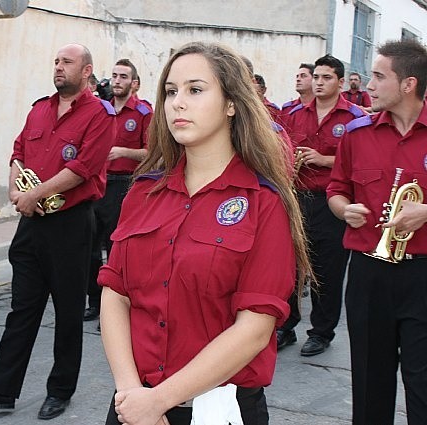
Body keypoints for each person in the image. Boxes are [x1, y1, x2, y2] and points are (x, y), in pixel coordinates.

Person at [99, 41, 312, 425]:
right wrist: (131, 393)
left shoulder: (264, 203)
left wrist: (160, 399)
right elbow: (115, 293)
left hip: (218, 410)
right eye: (170, 91)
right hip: (135, 404)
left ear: (231, 104)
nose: (177, 102)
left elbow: (254, 327)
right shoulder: (144, 193)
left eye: (195, 90)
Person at [0, 43, 116, 420]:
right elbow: (18, 153)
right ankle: (0, 390)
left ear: (87, 71)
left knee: (69, 312)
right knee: (22, 309)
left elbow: (84, 169)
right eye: (56, 62)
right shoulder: (39, 108)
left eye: (67, 63)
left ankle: (60, 391)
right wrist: (14, 191)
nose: (58, 68)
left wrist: (33, 195)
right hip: (32, 224)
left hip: (71, 225)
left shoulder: (99, 114)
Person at [327, 39, 427, 425]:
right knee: (369, 380)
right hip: (369, 272)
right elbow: (337, 189)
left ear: (408, 84)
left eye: (378, 76)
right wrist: (343, 209)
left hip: (422, 273)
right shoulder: (356, 133)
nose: (368, 85)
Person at [277, 54, 365, 355]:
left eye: (326, 78)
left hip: (331, 201)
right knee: (289, 265)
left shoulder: (353, 118)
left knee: (326, 268)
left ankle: (321, 332)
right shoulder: (294, 113)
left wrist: (324, 159)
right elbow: (282, 148)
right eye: (316, 77)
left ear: (340, 82)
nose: (318, 83)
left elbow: (361, 162)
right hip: (297, 197)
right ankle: (285, 326)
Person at [84, 59, 153, 324]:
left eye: (123, 77)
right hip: (98, 181)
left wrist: (123, 152)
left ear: (134, 83)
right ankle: (94, 302)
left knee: (116, 250)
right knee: (90, 247)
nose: (117, 81)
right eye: (114, 76)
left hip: (124, 185)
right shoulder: (101, 110)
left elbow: (153, 153)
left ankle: (115, 311)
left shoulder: (144, 114)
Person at [280, 63, 315, 130]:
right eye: (297, 76)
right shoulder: (287, 109)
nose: (298, 79)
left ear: (314, 80)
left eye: (303, 76)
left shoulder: (320, 109)